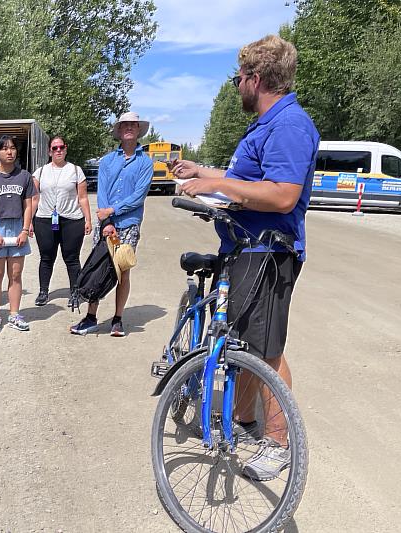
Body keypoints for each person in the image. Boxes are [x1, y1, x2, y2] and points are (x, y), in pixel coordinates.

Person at [172, 35, 319, 481]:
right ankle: (247, 420)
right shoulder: (266, 124)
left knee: (266, 351)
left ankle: (278, 443)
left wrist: (222, 189)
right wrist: (205, 175)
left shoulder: (289, 125)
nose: (237, 86)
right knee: (248, 345)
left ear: (256, 79)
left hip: (269, 253)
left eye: (239, 79)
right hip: (246, 250)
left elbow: (281, 194)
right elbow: (244, 177)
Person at [70, 112, 152, 338]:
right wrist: (106, 220)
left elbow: (139, 196)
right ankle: (91, 316)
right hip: (107, 224)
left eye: (133, 125)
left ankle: (117, 319)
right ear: (119, 130)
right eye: (124, 124)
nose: (128, 128)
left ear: (138, 129)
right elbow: (102, 192)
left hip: (129, 224)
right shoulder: (107, 161)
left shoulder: (145, 163)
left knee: (122, 271)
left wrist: (113, 211)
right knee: (99, 267)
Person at [0, 135, 36, 333]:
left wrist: (25, 230)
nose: (9, 152)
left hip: (17, 225)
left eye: (12, 148)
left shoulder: (24, 176)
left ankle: (14, 314)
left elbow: (28, 205)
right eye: (5, 148)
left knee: (16, 274)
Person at [31, 136, 92, 307]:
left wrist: (88, 219)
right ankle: (43, 292)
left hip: (72, 220)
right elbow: (33, 199)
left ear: (66, 149)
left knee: (72, 258)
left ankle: (75, 292)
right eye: (54, 148)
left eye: (61, 147)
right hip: (45, 219)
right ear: (49, 151)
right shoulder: (40, 172)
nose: (58, 151)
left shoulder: (75, 170)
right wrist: (28, 222)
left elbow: (83, 197)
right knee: (46, 257)